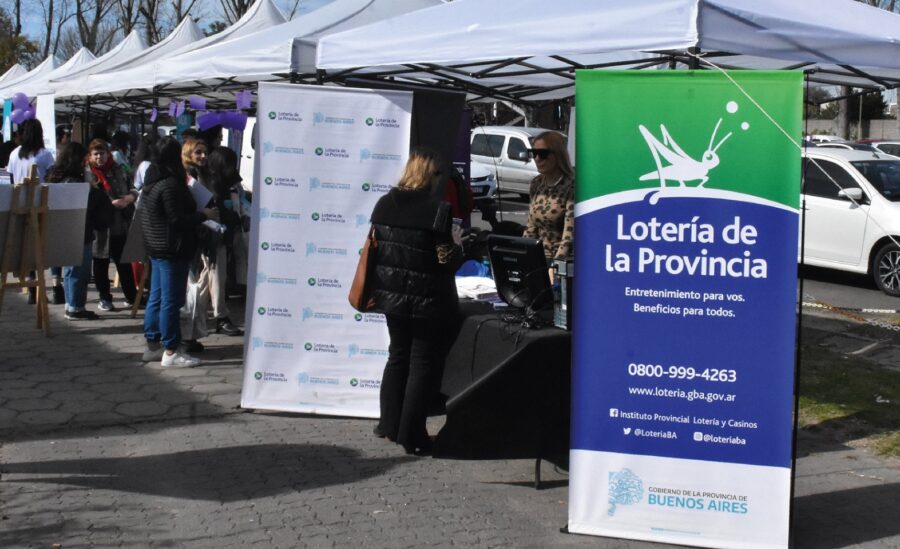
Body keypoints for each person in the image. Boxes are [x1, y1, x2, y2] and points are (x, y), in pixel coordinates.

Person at [369, 148, 464, 455]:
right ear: (427, 174)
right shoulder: (437, 209)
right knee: (422, 364)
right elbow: (445, 259)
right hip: (426, 299)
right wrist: (461, 246)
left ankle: (388, 424)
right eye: (438, 174)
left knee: (397, 356)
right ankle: (412, 435)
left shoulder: (384, 204)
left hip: (391, 296)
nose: (440, 180)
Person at [140, 136, 217, 367]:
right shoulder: (170, 184)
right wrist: (204, 215)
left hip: (156, 246)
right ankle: (172, 350)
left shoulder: (151, 181)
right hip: (172, 248)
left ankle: (153, 345)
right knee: (171, 302)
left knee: (157, 297)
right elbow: (176, 219)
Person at [46, 142, 113, 320]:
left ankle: (71, 304)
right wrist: (93, 186)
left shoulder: (56, 176)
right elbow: (91, 204)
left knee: (70, 269)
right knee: (79, 270)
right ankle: (75, 307)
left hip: (62, 228)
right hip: (80, 229)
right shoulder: (77, 181)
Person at [5, 119, 55, 304]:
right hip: (38, 204)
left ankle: (27, 284)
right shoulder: (44, 154)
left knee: (21, 245)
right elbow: (51, 179)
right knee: (37, 248)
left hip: (17, 205)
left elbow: (11, 179)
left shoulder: (14, 154)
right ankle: (36, 289)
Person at [86, 138, 138, 312]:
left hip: (120, 222)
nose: (99, 157)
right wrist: (111, 203)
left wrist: (129, 198)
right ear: (90, 156)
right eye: (96, 154)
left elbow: (133, 187)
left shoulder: (118, 169)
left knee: (123, 261)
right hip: (100, 225)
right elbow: (92, 198)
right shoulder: (89, 173)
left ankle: (132, 296)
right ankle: (104, 298)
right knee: (100, 262)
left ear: (108, 154)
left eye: (102, 153)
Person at [203, 146, 245, 336]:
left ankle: (208, 315)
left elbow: (240, 203)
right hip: (212, 238)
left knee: (212, 278)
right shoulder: (208, 183)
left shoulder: (231, 182)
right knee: (213, 277)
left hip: (227, 235)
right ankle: (220, 316)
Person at [522, 131, 574, 275]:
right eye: (534, 153)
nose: (537, 158)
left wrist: (556, 266)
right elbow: (531, 228)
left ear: (557, 155)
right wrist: (523, 256)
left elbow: (569, 235)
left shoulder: (571, 186)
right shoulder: (536, 184)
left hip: (565, 262)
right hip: (539, 258)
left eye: (543, 154)